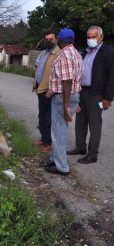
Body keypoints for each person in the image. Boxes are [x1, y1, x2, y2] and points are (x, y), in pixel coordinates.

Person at [67, 26, 114, 164]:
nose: (91, 39)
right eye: (89, 37)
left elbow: (112, 77)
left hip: (97, 94)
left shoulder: (109, 52)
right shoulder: (84, 53)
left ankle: (92, 154)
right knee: (80, 122)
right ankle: (80, 147)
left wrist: (108, 98)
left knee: (95, 125)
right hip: (82, 92)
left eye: (94, 37)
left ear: (101, 37)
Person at [43, 28, 83, 175]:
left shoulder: (65, 55)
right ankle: (55, 159)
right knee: (58, 130)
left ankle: (61, 167)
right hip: (68, 96)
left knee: (59, 133)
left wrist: (66, 106)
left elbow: (67, 81)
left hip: (62, 98)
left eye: (58, 38)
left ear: (62, 39)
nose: (57, 41)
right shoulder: (76, 54)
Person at [33, 31, 61, 152]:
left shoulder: (58, 54)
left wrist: (51, 90)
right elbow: (38, 68)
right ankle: (43, 139)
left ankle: (48, 143)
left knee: (48, 118)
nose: (48, 41)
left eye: (51, 39)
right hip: (41, 89)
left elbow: (58, 75)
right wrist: (37, 86)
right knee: (42, 116)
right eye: (46, 39)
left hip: (49, 91)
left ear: (56, 39)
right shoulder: (45, 53)